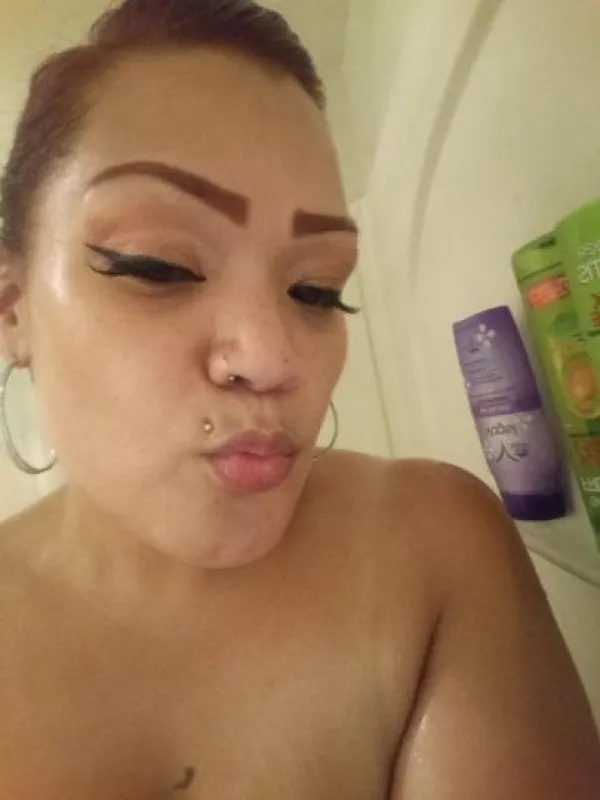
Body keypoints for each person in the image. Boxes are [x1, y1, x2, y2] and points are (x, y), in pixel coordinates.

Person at [0, 0, 598, 797]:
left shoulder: (431, 551)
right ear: (13, 309)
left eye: (315, 290)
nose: (273, 358)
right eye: (159, 267)